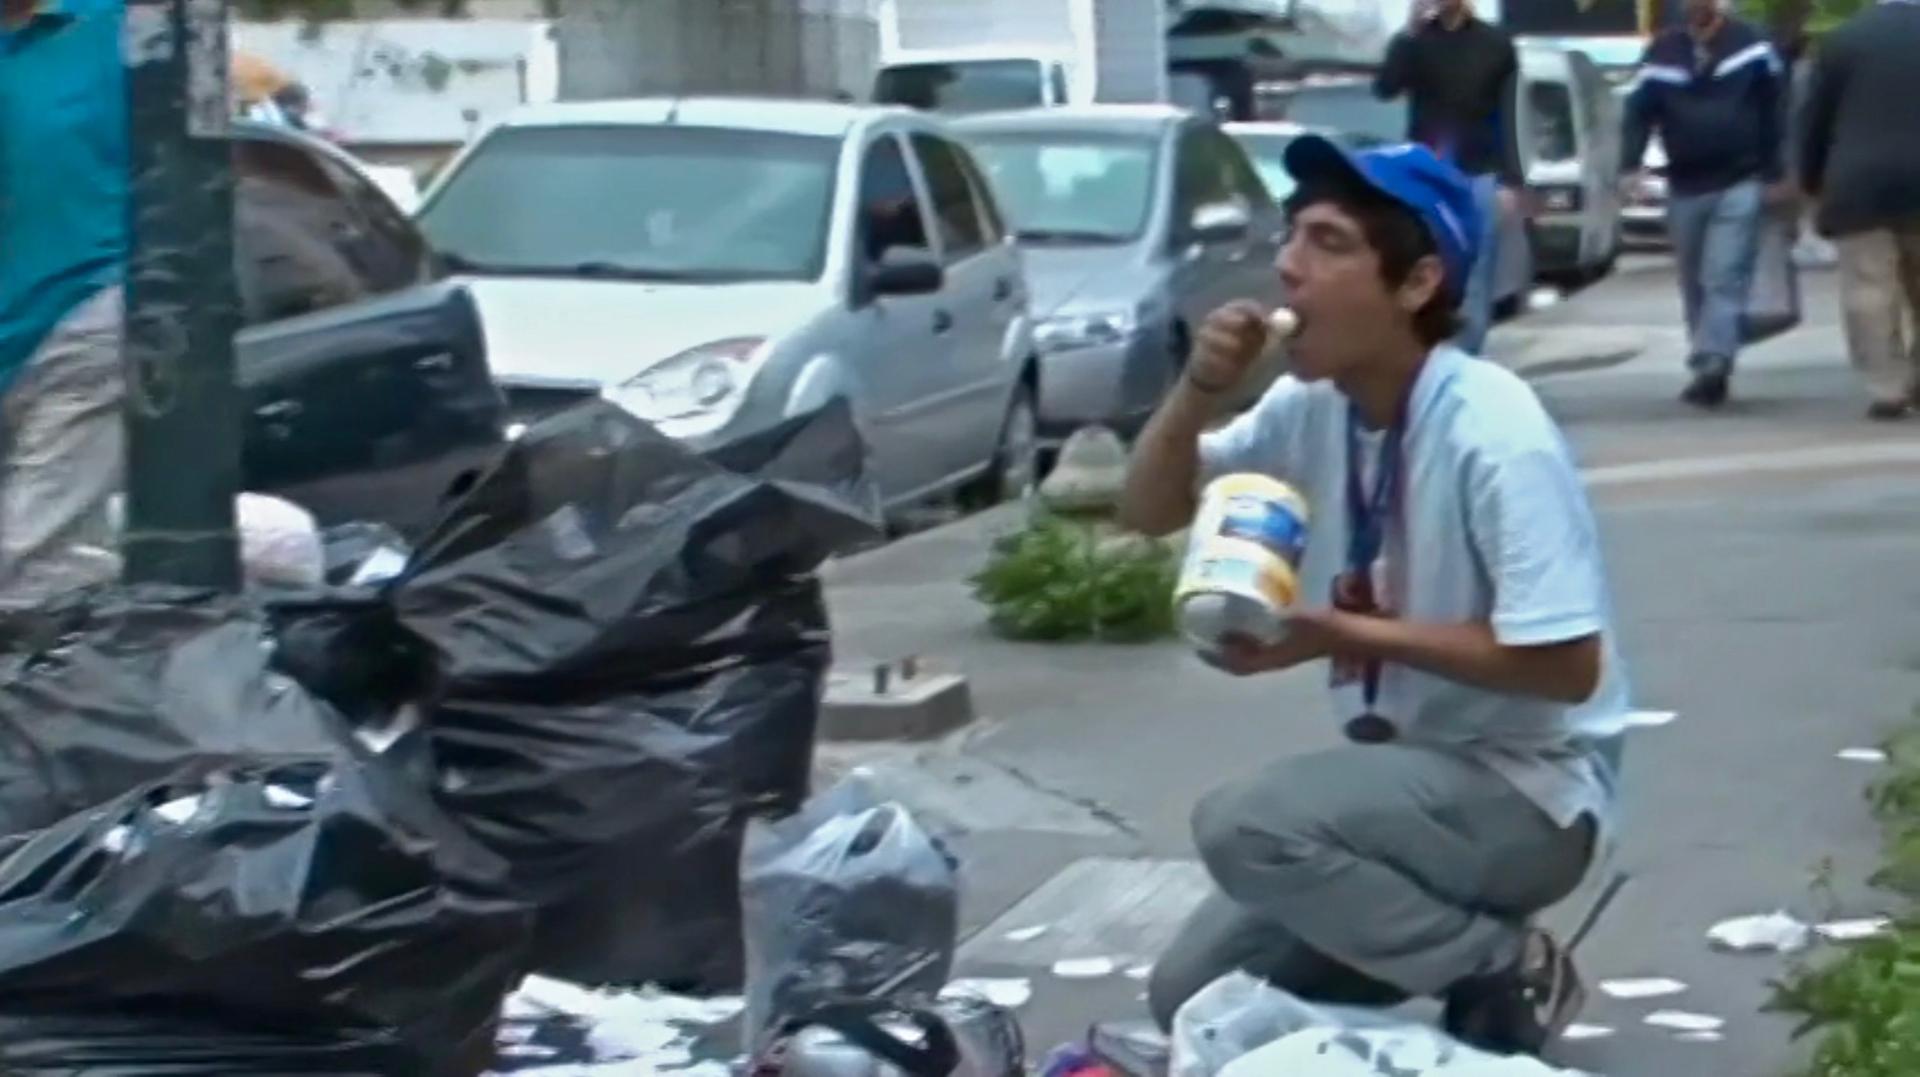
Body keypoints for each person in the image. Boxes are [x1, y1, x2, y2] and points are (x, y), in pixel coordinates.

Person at [1119, 136, 1630, 1056]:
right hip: (1411, 794)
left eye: (1327, 242)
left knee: (1248, 821)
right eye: (1290, 237)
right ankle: (1438, 959)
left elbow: (1567, 665)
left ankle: (1500, 963)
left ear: (1415, 283)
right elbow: (1149, 507)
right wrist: (1198, 389)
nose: (1288, 267)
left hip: (1526, 795)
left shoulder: (1493, 429)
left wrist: (1335, 631)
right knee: (1191, 996)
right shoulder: (1312, 406)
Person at [0, 0, 129, 605]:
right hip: (16, 323)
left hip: (84, 313)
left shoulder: (114, 25)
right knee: (55, 553)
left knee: (32, 556)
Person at [1621, 0, 1792, 409]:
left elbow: (1776, 111)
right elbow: (1638, 111)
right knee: (1694, 279)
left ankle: (1713, 362)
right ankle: (1710, 359)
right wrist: (1630, 165)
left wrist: (1776, 171)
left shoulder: (1752, 46)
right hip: (1684, 184)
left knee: (1724, 274)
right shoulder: (1664, 51)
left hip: (1740, 180)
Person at [1372, 0, 1524, 356]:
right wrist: (1408, 33)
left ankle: (1465, 357)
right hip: (1428, 172)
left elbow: (1508, 114)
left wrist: (1511, 179)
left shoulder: (1495, 43)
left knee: (1476, 275)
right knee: (1428, 264)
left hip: (1479, 171)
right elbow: (1385, 87)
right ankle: (1428, 354)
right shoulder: (1418, 41)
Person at [1797, 0, 1920, 420]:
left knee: (1869, 288)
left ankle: (1886, 386)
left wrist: (1810, 180)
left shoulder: (1844, 40)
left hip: (1858, 182)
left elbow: (1815, 118)